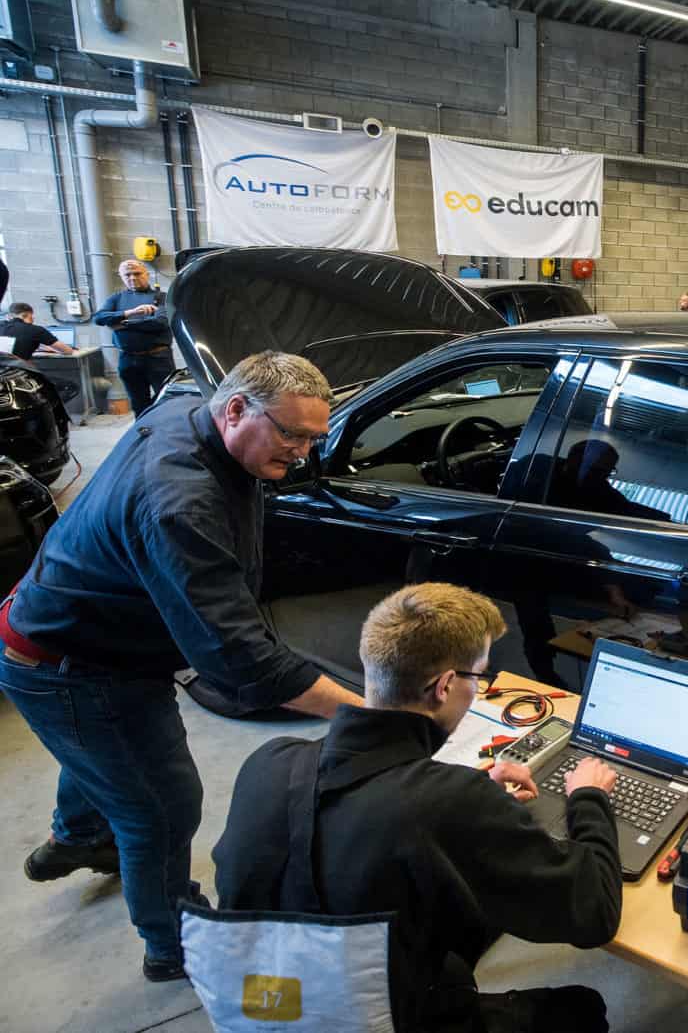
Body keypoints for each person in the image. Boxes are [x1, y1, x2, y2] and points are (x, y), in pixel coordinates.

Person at [0, 352, 364, 981]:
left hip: (80, 630)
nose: (304, 453)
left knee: (104, 754)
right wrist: (371, 713)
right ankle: (175, 946)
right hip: (74, 664)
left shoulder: (186, 412)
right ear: (235, 409)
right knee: (162, 808)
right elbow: (241, 658)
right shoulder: (180, 501)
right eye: (292, 434)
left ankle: (79, 835)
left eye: (314, 437)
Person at [212, 582, 621, 1033]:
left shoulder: (269, 763)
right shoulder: (448, 802)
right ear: (444, 686)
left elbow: (358, 832)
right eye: (477, 677)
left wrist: (474, 804)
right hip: (383, 1019)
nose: (477, 689)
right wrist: (588, 796)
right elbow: (595, 912)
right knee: (583, 1010)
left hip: (273, 1005)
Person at [91, 259, 176, 415]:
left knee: (166, 401)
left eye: (137, 273)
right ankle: (143, 428)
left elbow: (160, 322)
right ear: (121, 276)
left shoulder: (162, 297)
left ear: (146, 274)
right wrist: (131, 312)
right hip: (128, 359)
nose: (132, 278)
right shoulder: (116, 298)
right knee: (138, 403)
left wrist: (123, 324)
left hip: (158, 359)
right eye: (127, 275)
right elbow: (99, 318)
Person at [1, 303, 75, 360]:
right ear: (24, 315)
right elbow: (67, 351)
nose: (33, 319)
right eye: (31, 317)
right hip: (16, 370)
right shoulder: (35, 330)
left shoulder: (2, 325)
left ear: (10, 316)